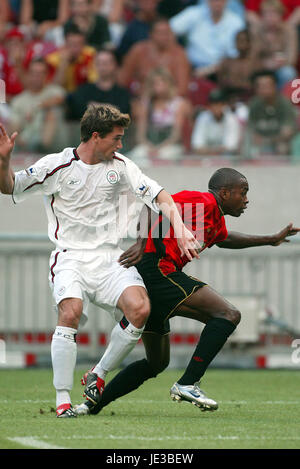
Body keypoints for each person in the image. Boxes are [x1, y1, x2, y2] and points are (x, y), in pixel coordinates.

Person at [0, 103, 199, 418]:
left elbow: (160, 195)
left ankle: (100, 372)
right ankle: (63, 399)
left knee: (140, 308)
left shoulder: (121, 165)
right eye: (116, 138)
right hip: (70, 257)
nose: (120, 145)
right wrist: (4, 160)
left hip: (110, 257)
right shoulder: (57, 165)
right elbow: (9, 186)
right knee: (71, 312)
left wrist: (182, 228)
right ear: (95, 136)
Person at [74, 167, 300, 416]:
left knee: (157, 362)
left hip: (155, 277)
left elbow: (224, 238)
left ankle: (90, 406)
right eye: (243, 192)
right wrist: (140, 242)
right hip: (157, 269)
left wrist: (269, 239)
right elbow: (153, 201)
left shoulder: (214, 218)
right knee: (228, 315)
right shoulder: (201, 201)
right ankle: (187, 383)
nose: (246, 199)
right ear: (224, 193)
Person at [127, 67, 192, 166]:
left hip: (170, 144)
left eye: (162, 82)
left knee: (164, 157)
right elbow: (140, 134)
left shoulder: (178, 104)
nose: (158, 86)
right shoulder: (145, 104)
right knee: (137, 156)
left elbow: (176, 134)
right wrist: (149, 147)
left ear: (169, 84)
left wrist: (159, 149)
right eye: (155, 83)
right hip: (149, 143)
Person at [169, 0, 245, 79]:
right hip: (190, 69)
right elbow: (169, 30)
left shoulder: (236, 23)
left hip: (221, 73)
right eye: (214, 1)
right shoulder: (194, 13)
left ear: (227, 1)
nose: (217, 3)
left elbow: (235, 55)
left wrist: (209, 70)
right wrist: (177, 52)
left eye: (221, 1)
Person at [118, 18, 191, 98]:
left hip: (169, 101)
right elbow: (122, 80)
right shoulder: (138, 51)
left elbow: (182, 88)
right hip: (141, 99)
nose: (164, 37)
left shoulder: (179, 54)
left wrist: (162, 100)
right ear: (151, 34)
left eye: (167, 33)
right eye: (160, 33)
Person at [8, 58, 67, 153]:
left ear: (46, 75)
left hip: (54, 147)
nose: (37, 76)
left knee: (53, 110)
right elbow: (14, 127)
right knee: (13, 123)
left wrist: (38, 106)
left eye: (41, 73)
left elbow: (61, 99)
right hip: (26, 143)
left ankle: (43, 148)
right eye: (34, 73)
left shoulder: (55, 91)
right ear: (28, 75)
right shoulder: (18, 100)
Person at [67, 49, 131, 120]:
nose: (102, 67)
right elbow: (78, 110)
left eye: (106, 63)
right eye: (98, 63)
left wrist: (93, 106)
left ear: (115, 65)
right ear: (94, 65)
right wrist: (111, 108)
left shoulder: (122, 93)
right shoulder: (83, 90)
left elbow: (123, 113)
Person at [245, 70, 297, 158]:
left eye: (267, 86)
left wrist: (268, 140)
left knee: (282, 147)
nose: (263, 89)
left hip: (280, 143)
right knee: (248, 144)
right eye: (260, 86)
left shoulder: (285, 103)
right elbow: (250, 129)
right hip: (260, 143)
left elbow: (287, 132)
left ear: (275, 86)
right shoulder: (254, 104)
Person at [250, 0, 298, 89]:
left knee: (288, 72)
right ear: (262, 16)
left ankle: (281, 100)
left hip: (282, 67)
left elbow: (292, 57)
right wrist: (266, 64)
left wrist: (281, 63)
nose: (270, 17)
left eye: (274, 14)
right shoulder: (256, 31)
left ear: (281, 15)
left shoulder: (289, 31)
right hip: (261, 67)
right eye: (267, 14)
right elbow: (252, 57)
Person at [46, 25, 98, 93]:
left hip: (85, 94)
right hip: (62, 96)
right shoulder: (52, 59)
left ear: (84, 45)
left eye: (79, 44)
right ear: (65, 44)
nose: (75, 49)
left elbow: (96, 83)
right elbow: (55, 88)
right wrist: (63, 64)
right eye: (72, 44)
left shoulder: (91, 55)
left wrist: (88, 73)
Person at [191, 88, 242, 157]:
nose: (215, 108)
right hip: (205, 159)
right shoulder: (203, 117)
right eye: (213, 104)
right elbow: (197, 145)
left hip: (226, 160)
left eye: (218, 104)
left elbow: (230, 147)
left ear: (224, 105)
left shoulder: (232, 119)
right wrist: (216, 150)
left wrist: (208, 150)